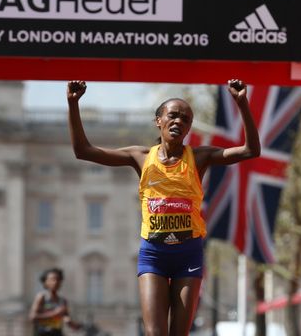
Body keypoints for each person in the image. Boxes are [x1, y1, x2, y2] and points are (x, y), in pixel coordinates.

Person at [66, 79, 260, 336]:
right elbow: (83, 151)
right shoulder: (141, 157)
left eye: (186, 119)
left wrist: (242, 104)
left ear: (189, 128)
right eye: (173, 116)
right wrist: (73, 104)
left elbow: (250, 150)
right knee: (155, 333)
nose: (179, 121)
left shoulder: (199, 157)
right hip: (153, 255)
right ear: (159, 121)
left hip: (187, 254)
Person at [29, 268, 82, 336]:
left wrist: (75, 325)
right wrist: (54, 313)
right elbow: (33, 317)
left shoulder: (63, 301)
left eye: (58, 279)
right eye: (52, 279)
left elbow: (66, 319)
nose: (55, 282)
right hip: (42, 333)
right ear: (45, 282)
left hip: (56, 332)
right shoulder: (42, 297)